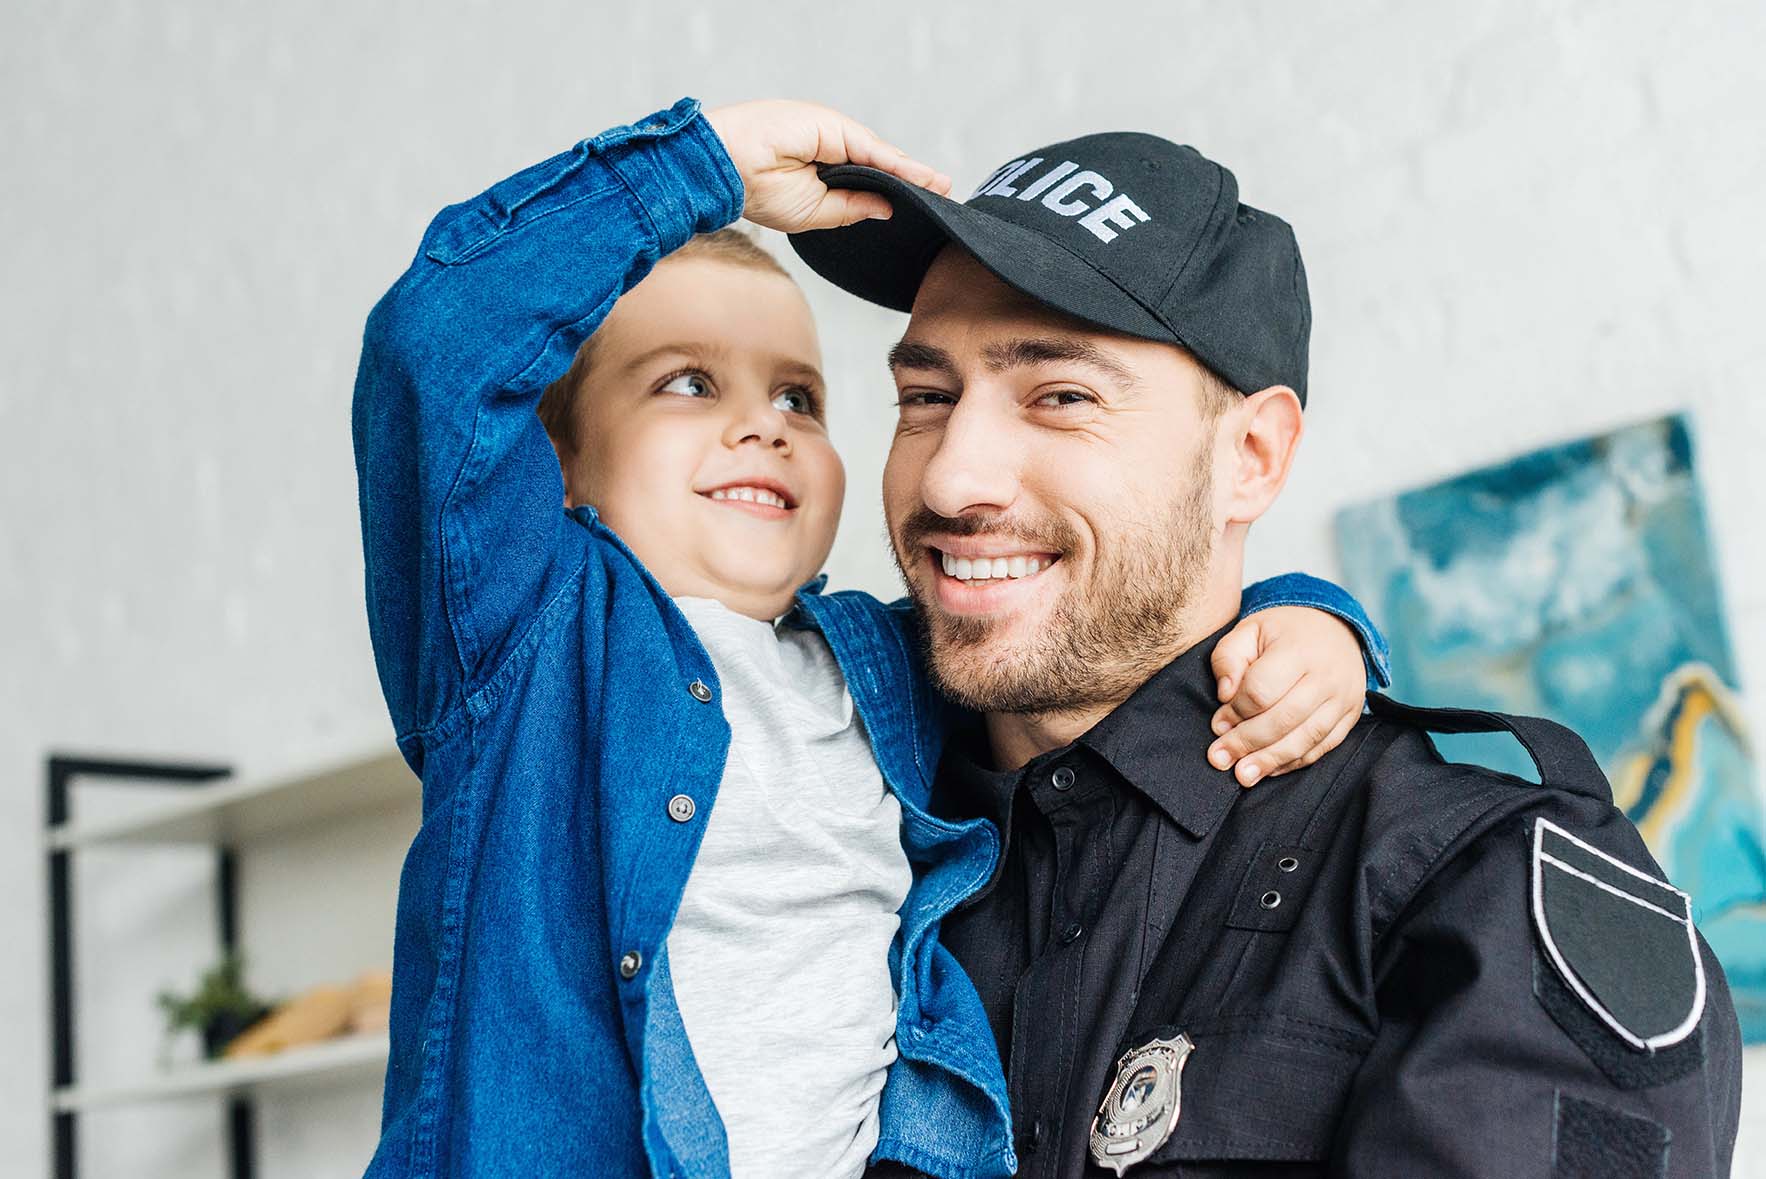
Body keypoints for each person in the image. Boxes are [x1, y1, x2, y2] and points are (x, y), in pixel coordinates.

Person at [351, 99, 1390, 1178]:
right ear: (553, 463)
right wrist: (691, 171)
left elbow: (1073, 627)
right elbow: (437, 348)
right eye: (686, 383)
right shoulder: (520, 648)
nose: (760, 425)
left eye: (799, 397)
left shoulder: (872, 672)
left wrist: (1311, 615)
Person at [786, 131, 1745, 1176]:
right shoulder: (824, 825)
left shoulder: (1473, 884)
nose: (949, 479)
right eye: (925, 398)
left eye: (1058, 397)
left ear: (1249, 458)